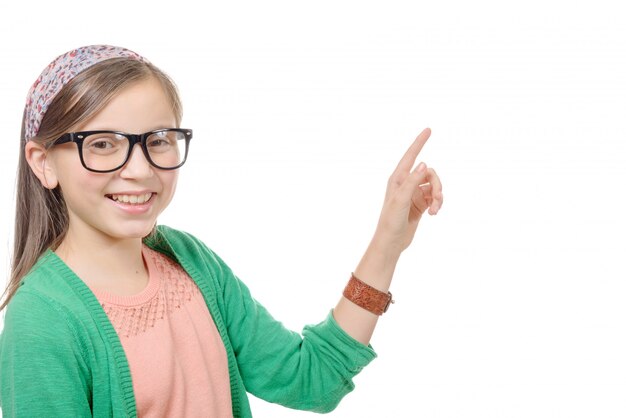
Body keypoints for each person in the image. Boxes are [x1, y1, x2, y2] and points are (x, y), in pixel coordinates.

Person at [0, 45, 443, 417]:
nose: (139, 169)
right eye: (101, 144)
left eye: (157, 140)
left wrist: (389, 240)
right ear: (43, 162)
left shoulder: (190, 262)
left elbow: (314, 378)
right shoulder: (42, 320)